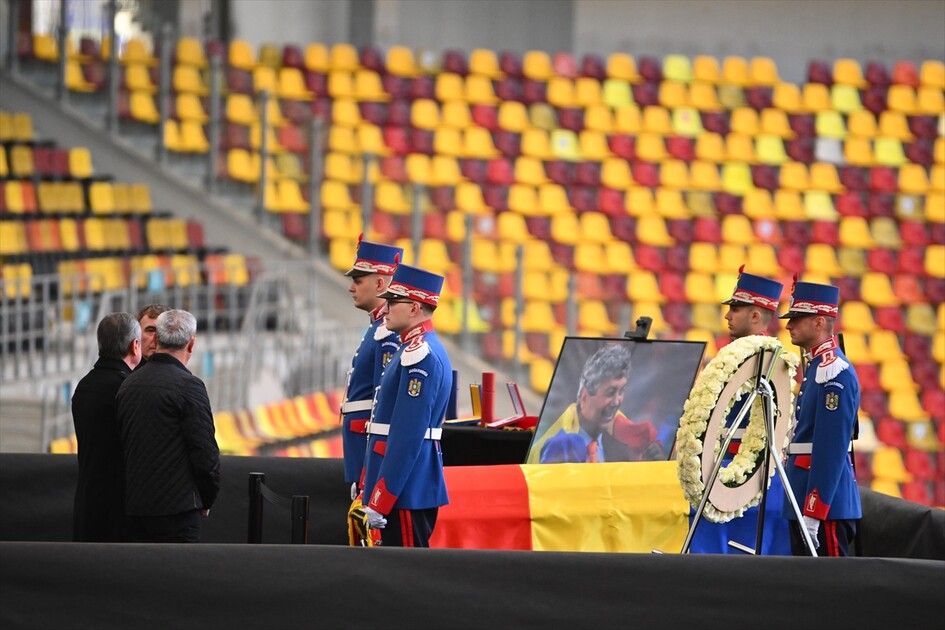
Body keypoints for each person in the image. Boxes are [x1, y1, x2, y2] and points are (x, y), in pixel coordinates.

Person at [357, 264, 452, 547]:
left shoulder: (420, 354)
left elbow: (407, 435)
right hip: (399, 486)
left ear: (414, 308)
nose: (385, 308)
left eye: (393, 302)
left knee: (406, 569)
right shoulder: (408, 348)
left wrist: (382, 497)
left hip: (405, 490)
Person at [117, 309, 221, 543]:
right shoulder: (189, 386)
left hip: (135, 512)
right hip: (179, 513)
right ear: (191, 344)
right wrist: (207, 498)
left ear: (157, 339)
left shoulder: (128, 384)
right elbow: (205, 453)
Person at [780, 281, 862, 556]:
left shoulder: (833, 372)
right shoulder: (817, 366)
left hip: (824, 507)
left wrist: (815, 509)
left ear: (818, 322)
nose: (788, 325)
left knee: (832, 582)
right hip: (803, 498)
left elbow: (830, 447)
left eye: (796, 318)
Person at [340, 237, 403, 501]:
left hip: (368, 449)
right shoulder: (377, 328)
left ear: (379, 284)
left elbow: (382, 404)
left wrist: (371, 468)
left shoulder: (386, 333)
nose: (351, 288)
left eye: (358, 281)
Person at [526, 344, 664, 464]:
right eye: (610, 392)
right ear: (585, 397)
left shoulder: (623, 449)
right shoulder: (559, 447)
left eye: (621, 391)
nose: (616, 402)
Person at [71, 312, 142, 542]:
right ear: (135, 346)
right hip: (121, 510)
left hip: (87, 503)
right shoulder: (128, 389)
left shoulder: (84, 385)